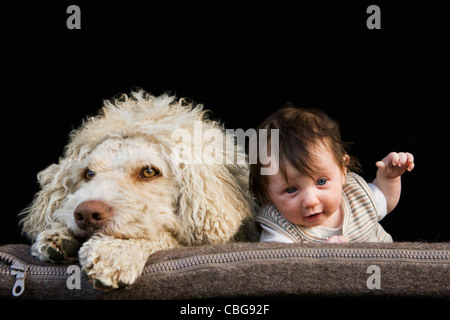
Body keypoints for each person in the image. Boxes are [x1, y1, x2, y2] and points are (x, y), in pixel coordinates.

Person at [250, 107, 414, 243]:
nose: (310, 201)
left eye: (321, 181)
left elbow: (387, 200)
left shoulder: (357, 197)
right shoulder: (280, 228)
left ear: (343, 170)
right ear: (267, 194)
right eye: (291, 190)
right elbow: (280, 268)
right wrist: (324, 259)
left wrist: (389, 178)